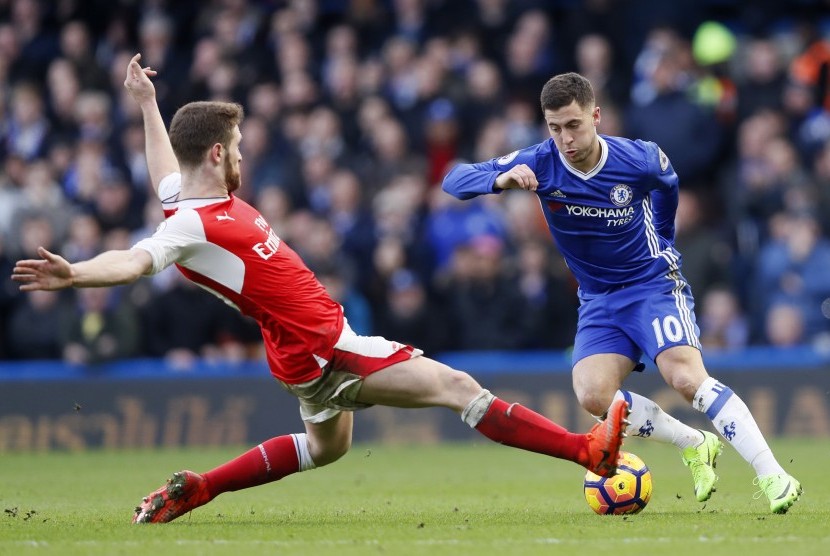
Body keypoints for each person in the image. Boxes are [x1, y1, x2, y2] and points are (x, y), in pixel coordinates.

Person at [11, 55, 630, 524]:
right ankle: (587, 452)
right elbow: (136, 260)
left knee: (326, 449)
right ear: (220, 152)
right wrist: (76, 273)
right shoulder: (192, 225)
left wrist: (147, 105)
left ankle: (201, 488)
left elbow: (164, 174)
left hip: (298, 352)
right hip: (325, 344)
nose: (244, 157)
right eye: (240, 148)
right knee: (456, 387)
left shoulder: (196, 203)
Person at [441, 72, 802, 514]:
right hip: (597, 299)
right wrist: (499, 181)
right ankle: (695, 444)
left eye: (573, 125)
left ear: (596, 115)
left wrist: (664, 239)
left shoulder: (638, 159)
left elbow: (668, 184)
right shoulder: (539, 162)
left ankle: (773, 475)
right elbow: (454, 180)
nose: (565, 138)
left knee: (686, 378)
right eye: (554, 128)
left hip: (650, 284)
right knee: (593, 396)